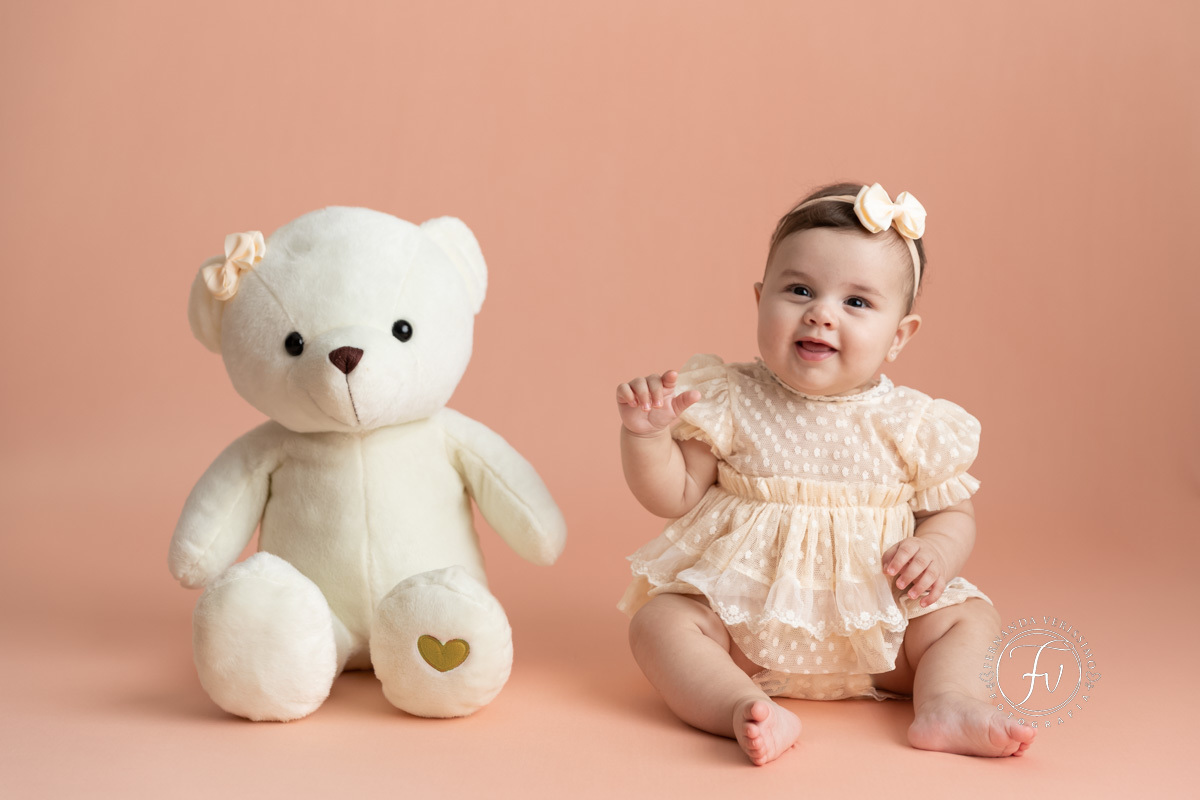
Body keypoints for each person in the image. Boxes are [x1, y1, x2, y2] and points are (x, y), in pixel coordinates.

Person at [615, 183, 1036, 765]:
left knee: (969, 618)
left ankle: (949, 701)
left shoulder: (912, 423)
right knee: (659, 622)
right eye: (799, 290)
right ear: (760, 299)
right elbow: (675, 494)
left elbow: (952, 512)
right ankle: (740, 705)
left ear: (899, 335)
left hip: (882, 637)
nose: (820, 313)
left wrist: (936, 551)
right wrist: (646, 437)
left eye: (856, 302)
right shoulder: (730, 398)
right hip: (745, 631)